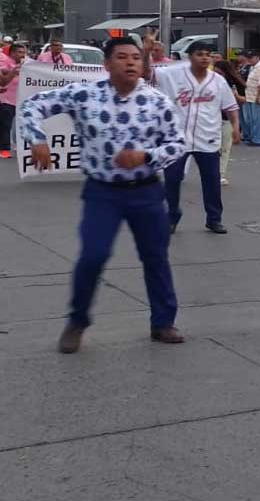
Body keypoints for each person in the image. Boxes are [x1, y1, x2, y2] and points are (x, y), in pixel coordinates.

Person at [20, 37, 188, 353]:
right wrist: (37, 139)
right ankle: (77, 320)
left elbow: (178, 144)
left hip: (146, 191)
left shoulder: (157, 102)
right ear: (107, 64)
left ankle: (163, 322)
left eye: (135, 57)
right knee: (93, 256)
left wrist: (146, 156)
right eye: (122, 57)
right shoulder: (85, 95)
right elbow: (33, 105)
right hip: (102, 193)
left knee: (156, 257)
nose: (130, 62)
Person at [145, 38, 239, 234]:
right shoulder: (173, 74)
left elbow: (230, 106)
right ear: (190, 57)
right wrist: (146, 52)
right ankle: (172, 216)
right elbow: (147, 73)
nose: (204, 58)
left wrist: (236, 126)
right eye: (199, 54)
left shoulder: (218, 81)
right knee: (172, 180)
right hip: (177, 139)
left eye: (208, 55)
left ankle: (214, 219)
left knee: (211, 181)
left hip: (208, 138)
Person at [210, 59, 245, 185]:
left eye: (220, 73)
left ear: (227, 73)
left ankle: (220, 174)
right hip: (211, 119)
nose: (217, 75)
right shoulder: (209, 83)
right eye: (215, 72)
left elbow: (244, 100)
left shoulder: (234, 84)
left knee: (224, 148)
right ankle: (211, 172)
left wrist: (236, 96)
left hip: (226, 119)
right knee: (212, 148)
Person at [0, 42, 27, 160]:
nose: (23, 55)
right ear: (12, 53)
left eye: (24, 52)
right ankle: (4, 149)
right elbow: (3, 81)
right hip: (6, 99)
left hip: (21, 100)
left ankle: (20, 145)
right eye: (20, 52)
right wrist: (13, 72)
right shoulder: (5, 62)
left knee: (21, 124)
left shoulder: (26, 64)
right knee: (6, 125)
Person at [240, 49, 260, 146]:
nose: (249, 60)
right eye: (248, 58)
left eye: (251, 58)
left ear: (257, 57)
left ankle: (258, 140)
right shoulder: (253, 67)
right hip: (250, 97)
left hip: (257, 98)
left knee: (258, 120)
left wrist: (258, 97)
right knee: (251, 120)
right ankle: (253, 138)